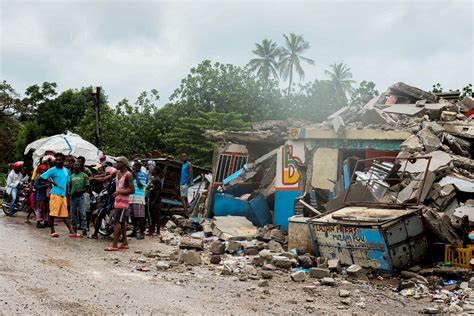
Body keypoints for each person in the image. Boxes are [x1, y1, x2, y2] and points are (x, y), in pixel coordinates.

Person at [39, 153, 78, 238]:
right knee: (53, 213)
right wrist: (52, 182)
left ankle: (72, 232)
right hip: (55, 193)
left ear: (63, 161)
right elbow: (41, 177)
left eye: (59, 160)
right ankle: (52, 231)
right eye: (56, 160)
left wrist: (67, 196)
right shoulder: (52, 170)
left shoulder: (67, 171)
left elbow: (67, 183)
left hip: (63, 195)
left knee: (65, 215)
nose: (57, 161)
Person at [105, 156, 134, 251]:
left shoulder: (128, 175)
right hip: (118, 201)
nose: (116, 164)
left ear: (123, 163)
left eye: (118, 162)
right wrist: (94, 178)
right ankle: (125, 243)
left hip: (123, 202)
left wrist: (119, 192)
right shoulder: (117, 173)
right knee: (122, 223)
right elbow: (107, 177)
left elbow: (132, 189)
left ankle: (114, 245)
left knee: (116, 223)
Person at [70, 161, 90, 236]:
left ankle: (84, 229)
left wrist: (79, 191)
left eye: (77, 165)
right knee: (73, 213)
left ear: (80, 166)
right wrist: (69, 194)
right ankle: (74, 228)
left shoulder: (84, 175)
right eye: (74, 165)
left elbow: (87, 187)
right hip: (73, 196)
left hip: (81, 196)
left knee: (82, 213)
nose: (76, 166)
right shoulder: (71, 176)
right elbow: (70, 187)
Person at [128, 160, 147, 239]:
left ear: (139, 167)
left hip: (139, 197)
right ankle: (134, 231)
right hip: (131, 197)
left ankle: (142, 233)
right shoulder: (130, 175)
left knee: (140, 216)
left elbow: (140, 186)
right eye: (134, 166)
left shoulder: (142, 175)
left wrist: (135, 175)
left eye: (136, 166)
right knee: (132, 216)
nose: (134, 167)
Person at [147, 166, 162, 237]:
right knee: (152, 216)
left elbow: (158, 191)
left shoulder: (158, 180)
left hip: (156, 201)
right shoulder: (154, 179)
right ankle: (152, 230)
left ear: (156, 171)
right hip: (152, 200)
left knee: (157, 216)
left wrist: (154, 201)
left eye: (153, 170)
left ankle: (158, 231)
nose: (151, 171)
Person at [179, 153, 193, 217]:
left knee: (182, 198)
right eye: (182, 156)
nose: (184, 157)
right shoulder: (183, 164)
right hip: (182, 183)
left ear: (187, 157)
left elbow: (190, 174)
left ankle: (185, 213)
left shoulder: (189, 164)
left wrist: (187, 183)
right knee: (186, 198)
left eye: (185, 156)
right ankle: (186, 212)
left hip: (185, 184)